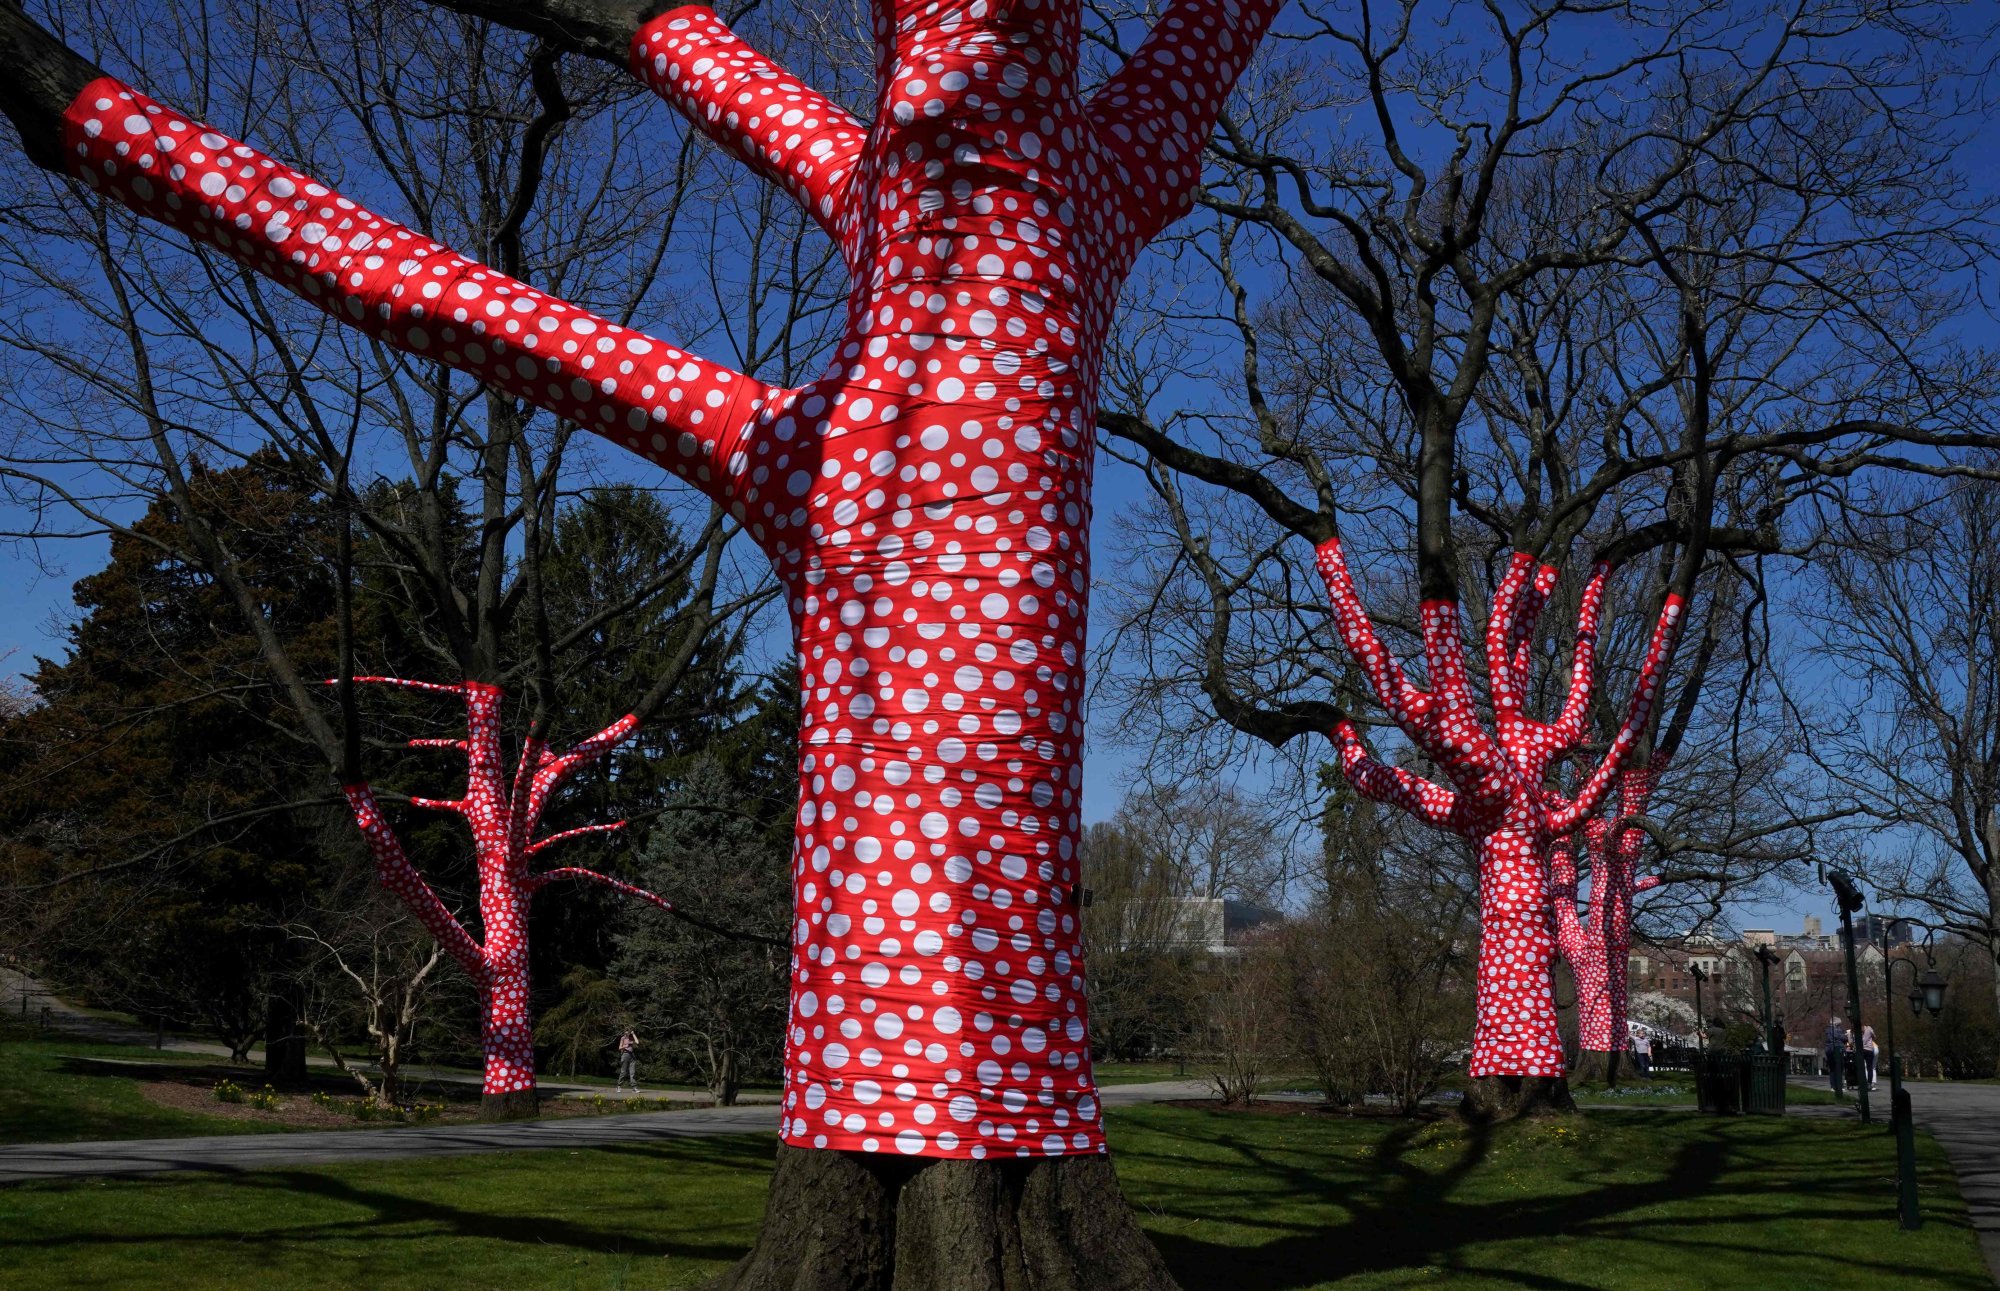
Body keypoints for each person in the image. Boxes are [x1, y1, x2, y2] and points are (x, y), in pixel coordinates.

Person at [1824, 1017, 1849, 1096]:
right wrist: (1846, 1035)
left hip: (1829, 1050)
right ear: (1836, 1024)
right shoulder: (1837, 1030)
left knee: (1832, 1068)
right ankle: (1839, 1086)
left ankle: (1833, 1086)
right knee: (1839, 1068)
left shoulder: (1827, 1030)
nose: (1840, 1026)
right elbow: (1844, 1039)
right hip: (1837, 1050)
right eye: (1839, 1024)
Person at [616, 1027, 641, 1094]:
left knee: (632, 1072)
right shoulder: (623, 1038)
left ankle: (634, 1088)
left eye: (629, 1031)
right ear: (624, 1032)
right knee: (623, 1072)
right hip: (625, 1055)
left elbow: (637, 1042)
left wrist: (633, 1034)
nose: (627, 1032)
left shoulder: (631, 1038)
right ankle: (619, 1086)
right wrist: (625, 1046)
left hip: (632, 1056)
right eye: (626, 1031)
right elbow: (619, 1047)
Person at [1861, 1024, 1879, 1091]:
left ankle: (1862, 1082)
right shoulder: (1869, 1028)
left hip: (1861, 1050)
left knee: (1862, 1067)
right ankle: (1869, 1083)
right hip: (1869, 1049)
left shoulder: (1857, 1031)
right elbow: (1874, 1036)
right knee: (1870, 1068)